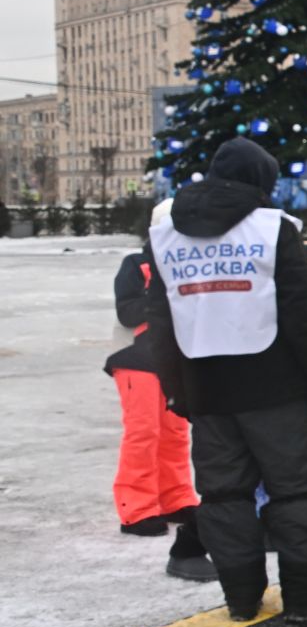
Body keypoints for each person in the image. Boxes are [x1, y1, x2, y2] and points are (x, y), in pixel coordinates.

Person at [146, 137, 307, 623]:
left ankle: (241, 598)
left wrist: (177, 389)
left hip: (205, 390)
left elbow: (161, 323)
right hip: (275, 389)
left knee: (223, 496)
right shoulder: (274, 230)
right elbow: (300, 316)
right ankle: (304, 600)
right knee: (294, 492)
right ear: (262, 182)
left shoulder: (166, 233)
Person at [104, 242, 214, 580]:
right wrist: (170, 296)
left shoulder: (192, 264)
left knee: (175, 432)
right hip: (135, 361)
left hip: (174, 363)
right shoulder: (137, 265)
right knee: (143, 432)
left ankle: (175, 496)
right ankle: (136, 509)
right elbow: (128, 311)